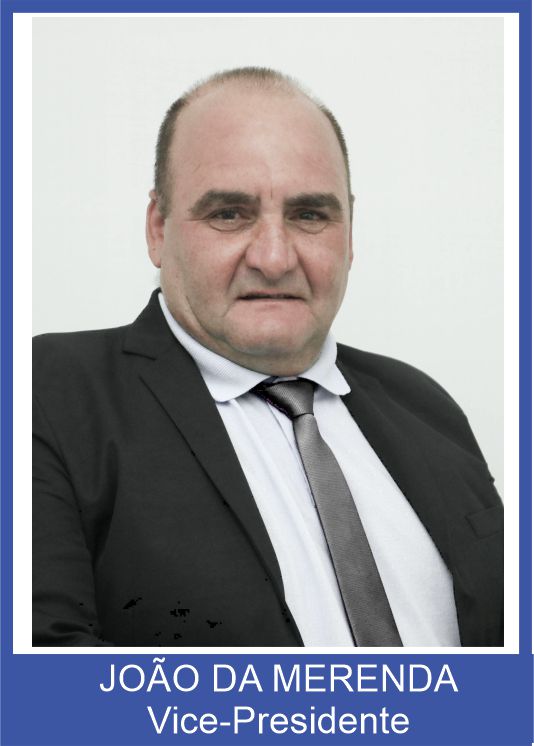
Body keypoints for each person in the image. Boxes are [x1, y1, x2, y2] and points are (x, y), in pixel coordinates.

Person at [32, 67, 503, 647]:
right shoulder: (46, 394)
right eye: (229, 213)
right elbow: (38, 679)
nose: (275, 258)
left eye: (310, 215)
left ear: (349, 231)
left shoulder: (424, 405)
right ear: (158, 228)